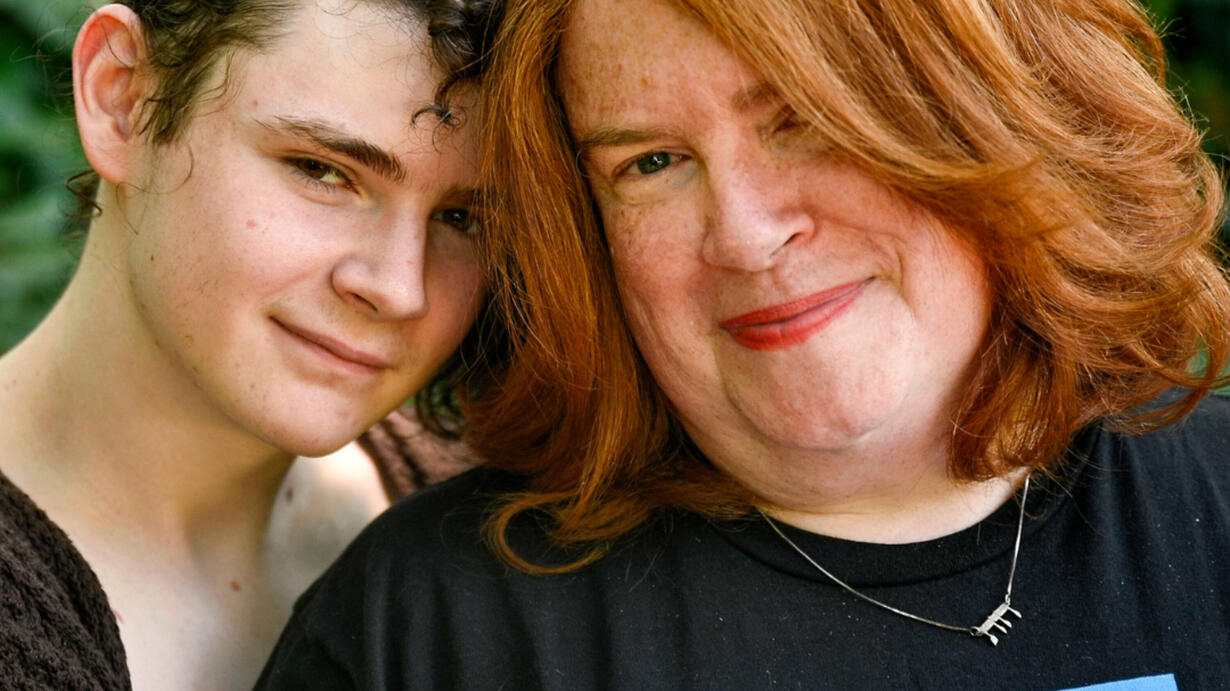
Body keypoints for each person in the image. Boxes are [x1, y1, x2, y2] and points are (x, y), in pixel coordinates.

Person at [257, 0, 1230, 688]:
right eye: (651, 162)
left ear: (983, 111)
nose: (746, 235)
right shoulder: (437, 633)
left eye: (802, 121)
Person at [0, 0, 497, 687]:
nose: (398, 289)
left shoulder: (501, 527)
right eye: (321, 170)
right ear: (121, 99)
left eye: (463, 217)